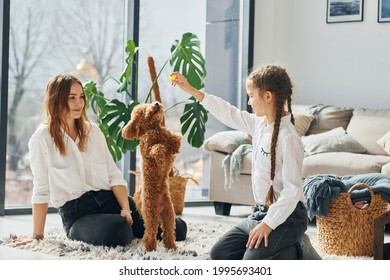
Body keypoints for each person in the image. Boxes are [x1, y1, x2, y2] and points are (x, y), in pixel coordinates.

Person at [170, 65, 321, 260]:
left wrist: (268, 224)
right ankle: (282, 245)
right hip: (260, 213)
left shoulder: (288, 138)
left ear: (268, 96)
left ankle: (299, 250)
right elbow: (228, 112)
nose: (249, 102)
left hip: (289, 217)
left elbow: (292, 191)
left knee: (252, 262)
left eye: (251, 96)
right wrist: (190, 90)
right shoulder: (258, 124)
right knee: (220, 254)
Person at [21, 74, 187, 247]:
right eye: (71, 98)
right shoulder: (42, 138)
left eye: (81, 97)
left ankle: (129, 224)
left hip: (113, 200)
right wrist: (37, 236)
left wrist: (125, 208)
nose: (79, 103)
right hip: (78, 214)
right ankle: (127, 228)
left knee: (178, 229)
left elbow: (114, 175)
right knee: (118, 232)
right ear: (56, 100)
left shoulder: (92, 131)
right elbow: (41, 190)